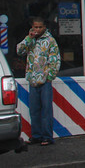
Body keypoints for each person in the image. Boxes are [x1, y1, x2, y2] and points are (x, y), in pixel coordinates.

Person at [16, 17, 60, 145]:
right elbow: (19, 51)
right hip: (32, 79)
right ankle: (36, 135)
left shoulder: (50, 41)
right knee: (34, 110)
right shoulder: (30, 39)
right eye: (35, 27)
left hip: (45, 80)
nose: (37, 29)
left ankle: (47, 136)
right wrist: (28, 38)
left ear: (44, 27)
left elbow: (55, 60)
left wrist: (49, 76)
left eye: (40, 27)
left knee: (46, 110)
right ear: (32, 27)